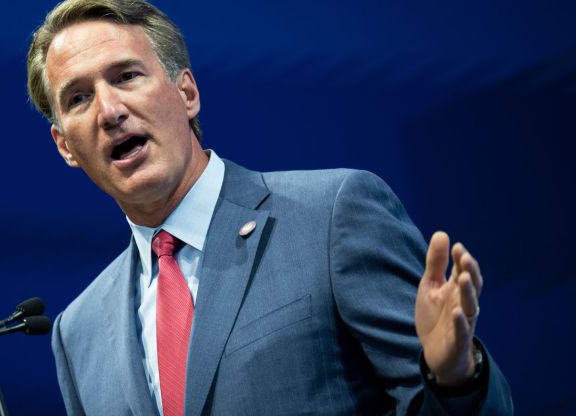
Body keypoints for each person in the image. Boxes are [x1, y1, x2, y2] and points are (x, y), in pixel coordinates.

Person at [26, 0, 513, 414]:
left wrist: (455, 378)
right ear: (65, 146)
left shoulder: (330, 216)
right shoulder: (78, 334)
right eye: (79, 98)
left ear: (187, 93)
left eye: (127, 76)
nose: (109, 111)